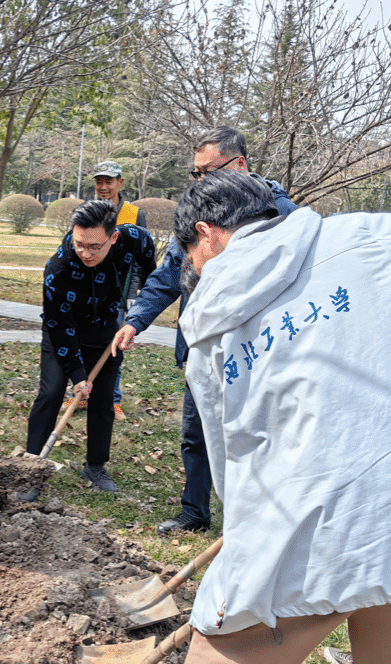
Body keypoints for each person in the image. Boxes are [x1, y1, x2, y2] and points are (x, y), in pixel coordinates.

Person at [164, 169, 391, 664]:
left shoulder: (205, 325)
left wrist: (244, 530)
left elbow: (226, 458)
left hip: (293, 537)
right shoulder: (358, 237)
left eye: (189, 257)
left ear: (205, 233)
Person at [113, 127, 299, 536]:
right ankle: (195, 511)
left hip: (261, 349)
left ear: (240, 164)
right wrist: (136, 319)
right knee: (196, 433)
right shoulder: (197, 209)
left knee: (260, 437)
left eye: (208, 171)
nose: (200, 181)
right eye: (195, 173)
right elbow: (169, 274)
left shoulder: (280, 213)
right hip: (205, 347)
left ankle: (262, 523)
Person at [19, 200, 155, 500]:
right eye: (79, 244)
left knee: (104, 399)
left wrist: (139, 308)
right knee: (51, 392)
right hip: (62, 330)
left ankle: (95, 466)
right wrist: (78, 375)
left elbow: (150, 269)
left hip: (105, 329)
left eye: (95, 247)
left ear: (113, 237)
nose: (86, 253)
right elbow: (58, 325)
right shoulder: (58, 268)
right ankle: (31, 468)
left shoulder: (134, 238)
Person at [80, 161, 150, 422]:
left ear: (120, 183)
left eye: (108, 181)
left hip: (119, 293)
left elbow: (140, 257)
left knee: (113, 348)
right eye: (99, 181)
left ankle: (113, 400)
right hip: (88, 290)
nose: (103, 187)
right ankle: (81, 394)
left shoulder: (134, 214)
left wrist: (134, 292)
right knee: (84, 344)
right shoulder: (86, 210)